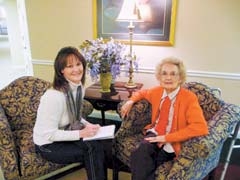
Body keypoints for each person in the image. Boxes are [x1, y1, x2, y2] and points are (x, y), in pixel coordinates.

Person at [120, 57, 209, 180]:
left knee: (150, 164)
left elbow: (200, 127)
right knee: (140, 153)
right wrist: (130, 101)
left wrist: (167, 138)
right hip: (155, 134)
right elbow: (141, 93)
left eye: (173, 74)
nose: (168, 78)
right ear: (159, 77)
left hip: (174, 138)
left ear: (180, 78)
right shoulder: (157, 92)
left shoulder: (189, 98)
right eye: (164, 74)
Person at [33, 46, 107, 180]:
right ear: (61, 70)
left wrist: (88, 125)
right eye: (70, 66)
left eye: (78, 64)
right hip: (46, 144)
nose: (76, 69)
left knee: (97, 145)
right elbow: (48, 134)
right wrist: (81, 133)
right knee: (92, 151)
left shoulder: (79, 89)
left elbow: (76, 117)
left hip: (66, 132)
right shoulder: (53, 97)